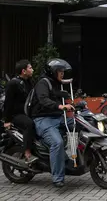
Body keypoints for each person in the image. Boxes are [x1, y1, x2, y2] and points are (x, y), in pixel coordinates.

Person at [31, 58, 74, 188]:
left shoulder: (55, 84)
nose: (62, 73)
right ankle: (57, 177)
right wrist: (61, 107)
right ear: (53, 72)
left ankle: (75, 160)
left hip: (57, 117)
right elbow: (44, 100)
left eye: (63, 71)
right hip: (43, 119)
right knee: (57, 143)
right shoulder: (43, 83)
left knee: (82, 124)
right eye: (60, 71)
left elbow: (60, 97)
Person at [3, 60, 38, 164]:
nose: (32, 70)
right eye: (30, 68)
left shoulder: (30, 82)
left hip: (27, 112)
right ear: (23, 71)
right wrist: (7, 120)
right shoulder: (13, 83)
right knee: (29, 124)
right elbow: (8, 103)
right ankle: (27, 153)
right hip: (16, 115)